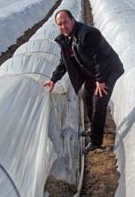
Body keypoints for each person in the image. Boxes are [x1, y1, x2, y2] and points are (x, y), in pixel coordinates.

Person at [44, 9, 124, 153]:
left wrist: (100, 80)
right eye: (60, 24)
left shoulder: (88, 34)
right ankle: (94, 127)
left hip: (109, 69)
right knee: (86, 96)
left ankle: (96, 141)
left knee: (99, 101)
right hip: (92, 71)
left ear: (72, 20)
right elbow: (64, 62)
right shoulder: (65, 39)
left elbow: (99, 58)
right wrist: (53, 79)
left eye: (65, 22)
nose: (63, 26)